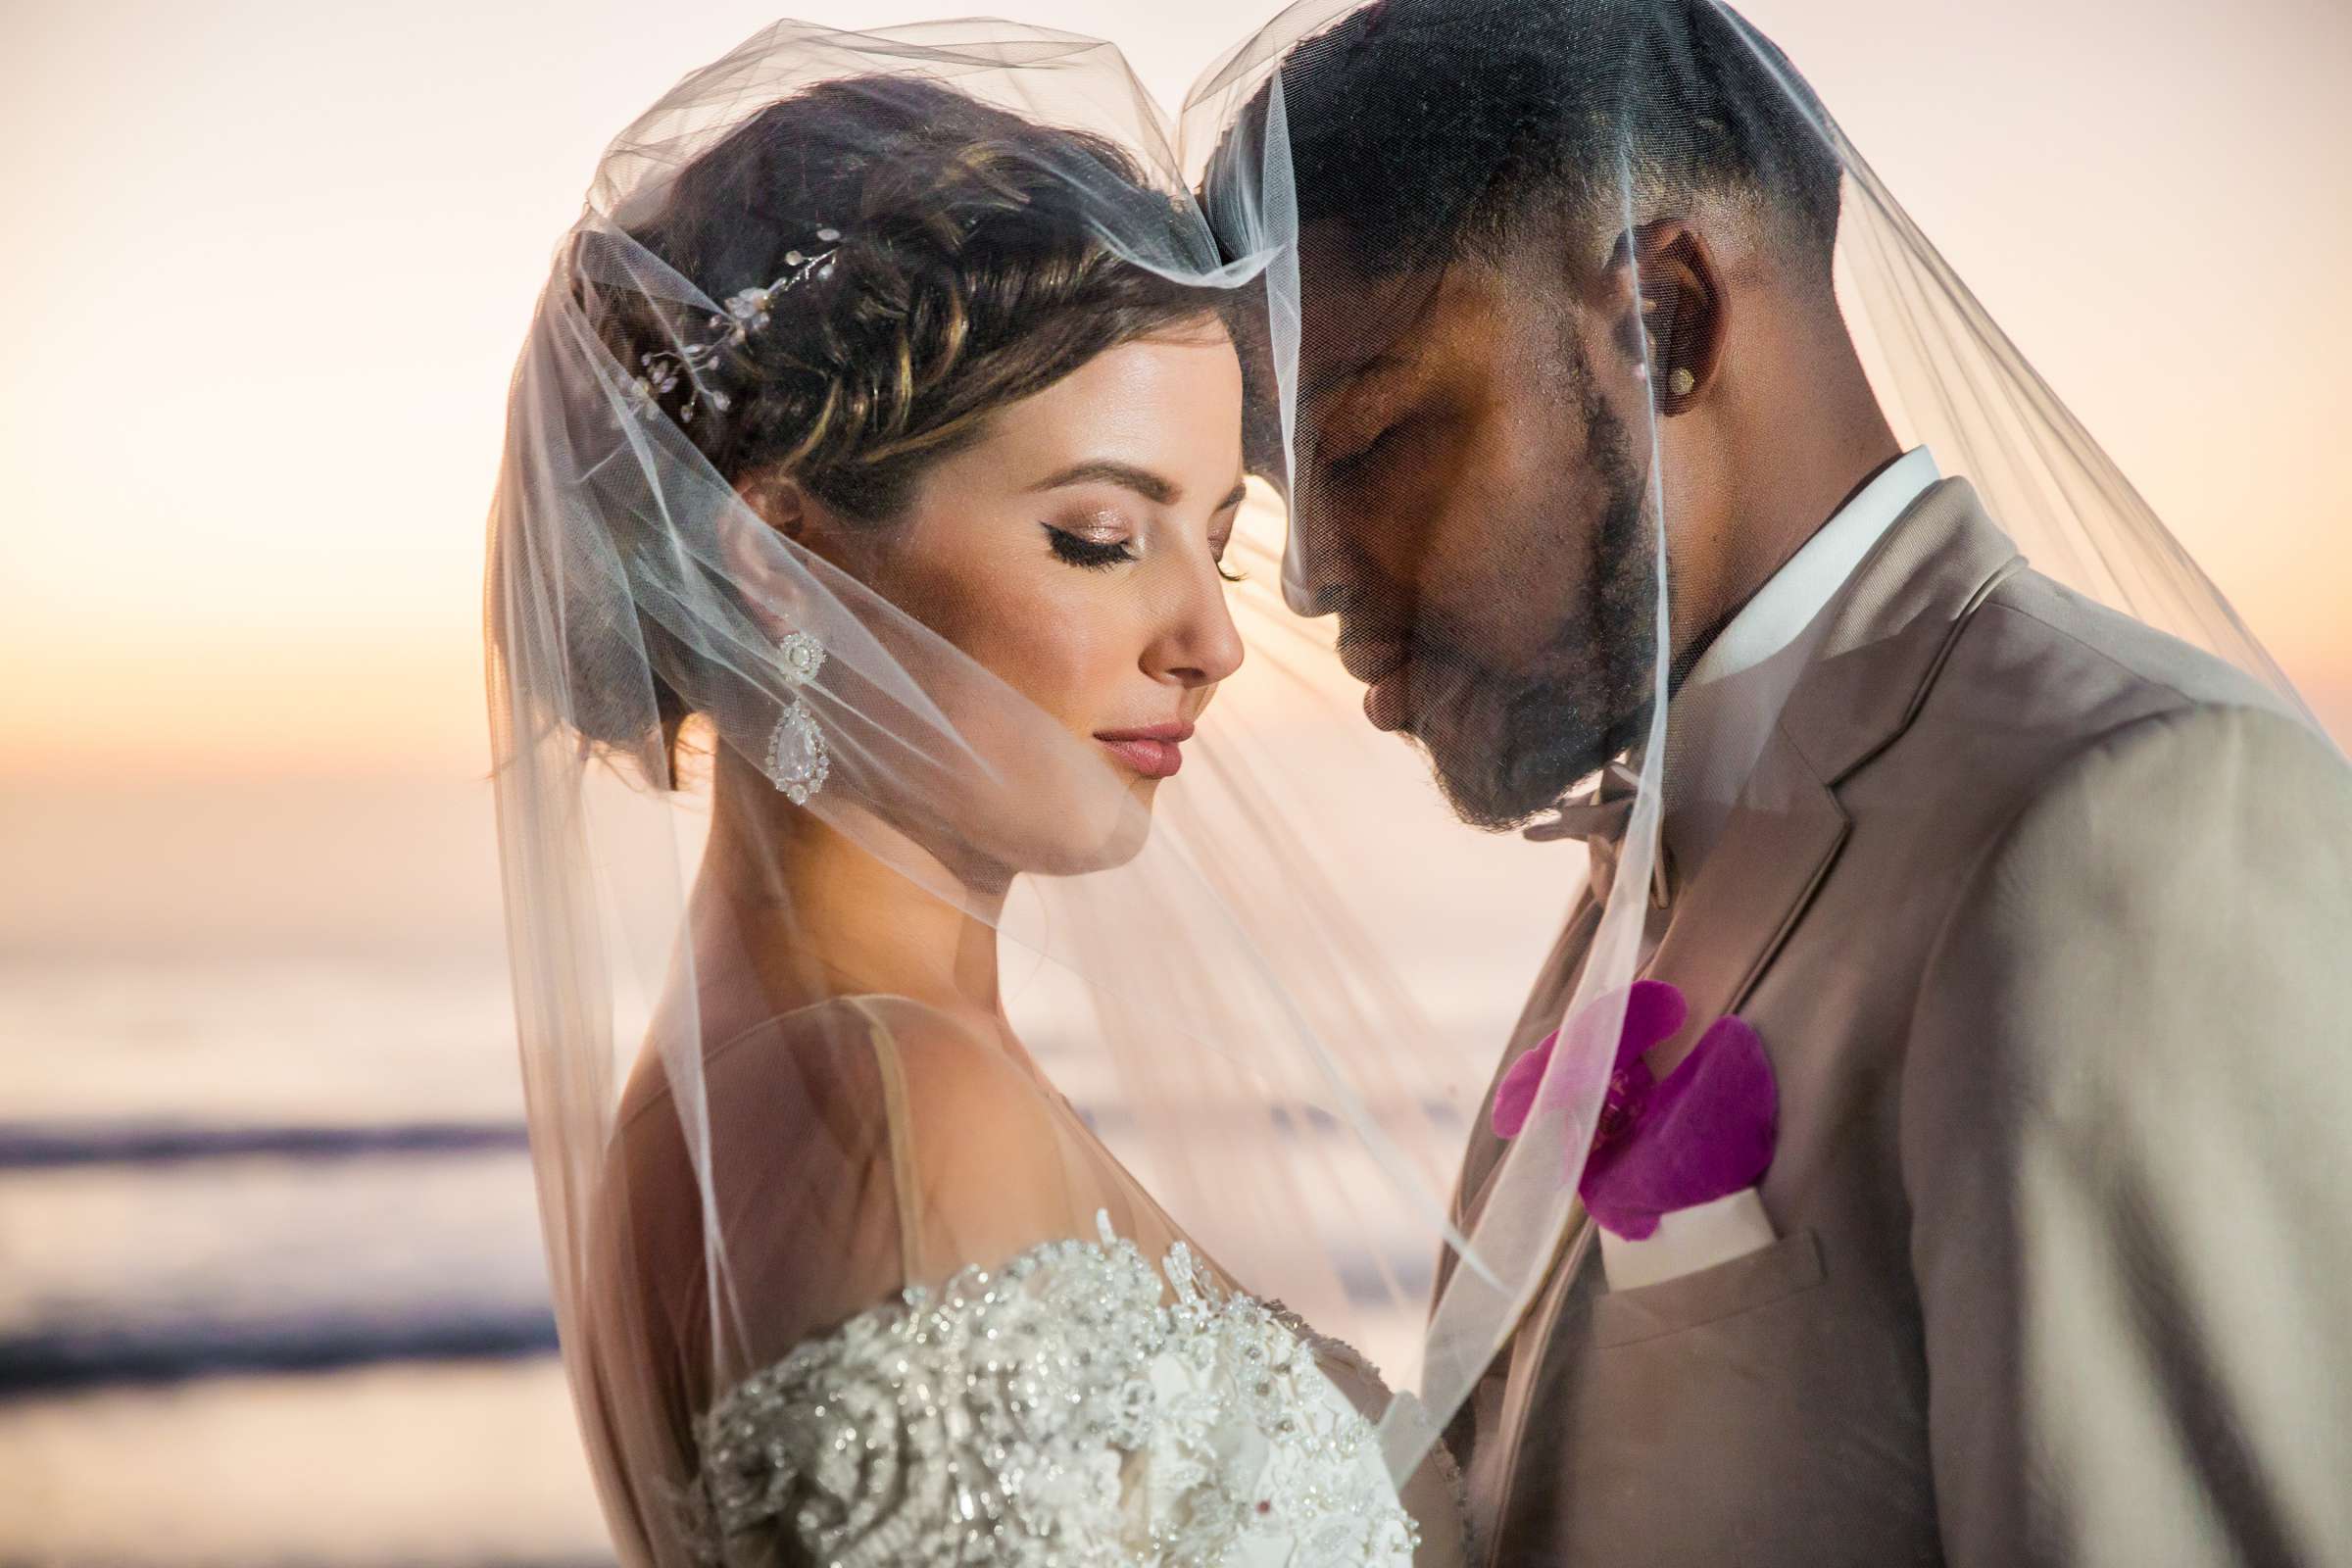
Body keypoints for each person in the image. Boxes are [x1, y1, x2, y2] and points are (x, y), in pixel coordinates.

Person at [1215, 0, 2352, 1561]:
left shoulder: (2122, 829)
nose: (1314, 580)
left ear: (1666, 319)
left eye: (1369, 441)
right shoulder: (1643, 867)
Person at [485, 26, 1466, 1568]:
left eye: (1214, 540)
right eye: (1096, 534)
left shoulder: (754, 1086)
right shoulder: (892, 1107)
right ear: (779, 558)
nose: (1211, 641)